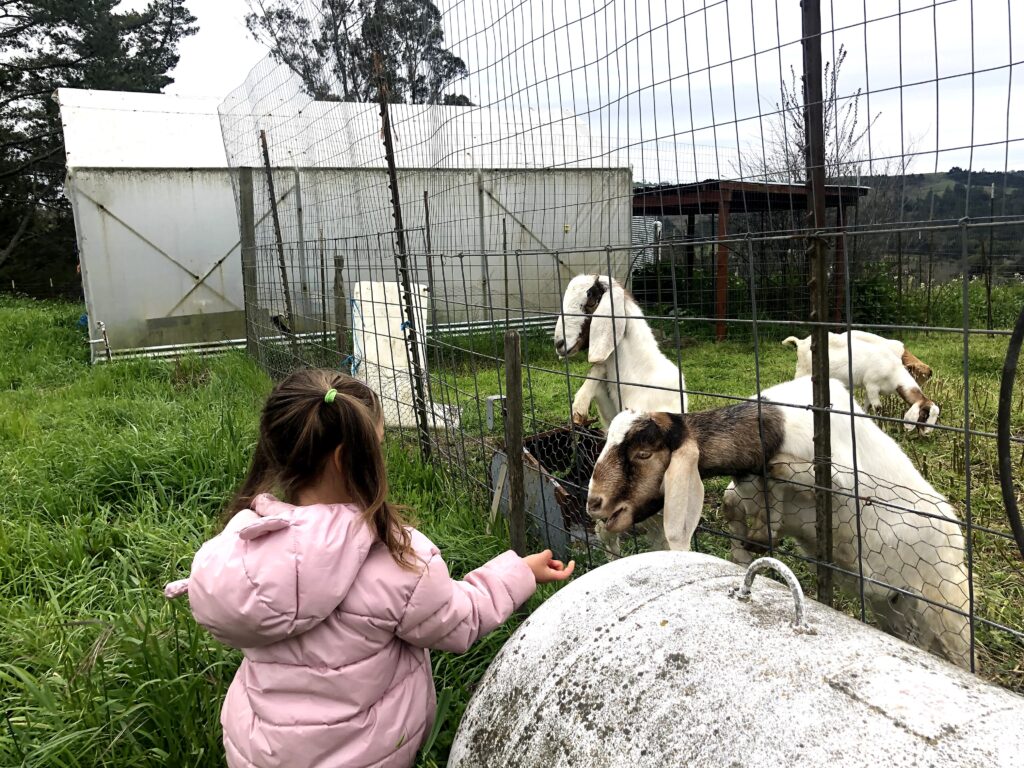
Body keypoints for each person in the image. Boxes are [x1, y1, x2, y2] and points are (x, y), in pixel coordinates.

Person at [163, 369, 574, 768]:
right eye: (377, 445)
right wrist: (520, 572)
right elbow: (459, 621)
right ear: (348, 459)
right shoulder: (398, 559)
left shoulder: (243, 547)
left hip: (258, 752)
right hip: (368, 755)